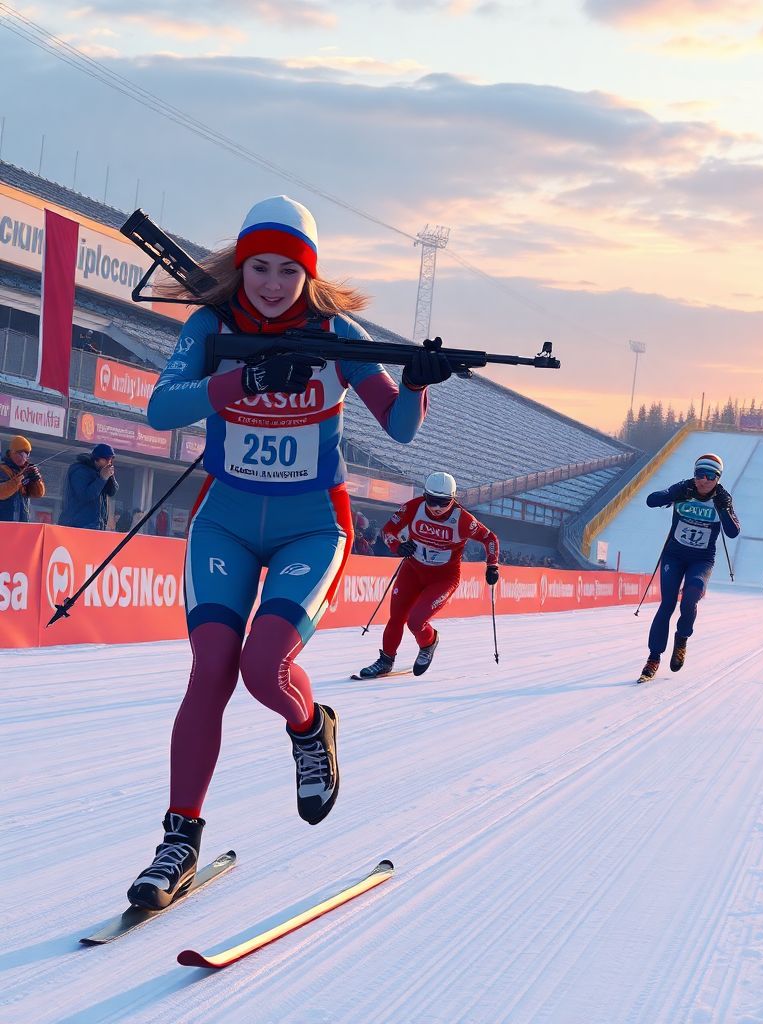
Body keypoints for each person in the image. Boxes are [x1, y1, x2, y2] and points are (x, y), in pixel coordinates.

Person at [127, 195, 451, 911]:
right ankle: (178, 841)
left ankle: (310, 726)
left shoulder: (336, 331)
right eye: (258, 268)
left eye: (288, 271)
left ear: (310, 276)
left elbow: (398, 427)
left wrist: (419, 386)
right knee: (211, 665)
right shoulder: (212, 324)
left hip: (312, 523)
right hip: (226, 519)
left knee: (262, 667)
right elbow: (161, 408)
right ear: (241, 268)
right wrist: (245, 378)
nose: (271, 284)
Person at [358, 471, 500, 678]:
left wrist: (492, 566)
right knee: (396, 617)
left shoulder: (462, 520)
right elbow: (388, 530)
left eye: (443, 502)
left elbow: (490, 538)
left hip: (443, 578)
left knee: (415, 622)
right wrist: (398, 546)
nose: (436, 508)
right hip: (413, 571)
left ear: (453, 499)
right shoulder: (414, 507)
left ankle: (429, 642)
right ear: (425, 495)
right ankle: (386, 660)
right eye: (432, 501)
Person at [637, 453, 740, 683]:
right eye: (698, 474)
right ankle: (653, 658)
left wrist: (723, 509)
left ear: (718, 478)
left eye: (709, 476)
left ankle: (681, 638)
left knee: (691, 597)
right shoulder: (684, 490)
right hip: (674, 556)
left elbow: (733, 532)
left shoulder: (723, 499)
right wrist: (673, 494)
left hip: (701, 560)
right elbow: (651, 500)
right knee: (667, 604)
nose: (703, 480)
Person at [58, 444, 118, 529]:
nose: (109, 463)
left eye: (111, 460)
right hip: (77, 525)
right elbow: (85, 496)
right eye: (106, 459)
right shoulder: (80, 471)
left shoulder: (101, 472)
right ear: (97, 459)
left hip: (96, 526)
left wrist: (110, 477)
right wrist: (102, 479)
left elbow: (112, 492)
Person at [0, 435, 45, 522]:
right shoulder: (3, 469)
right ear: (12, 453)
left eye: (27, 454)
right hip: (4, 522)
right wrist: (22, 477)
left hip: (21, 523)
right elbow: (2, 492)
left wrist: (36, 479)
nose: (24, 457)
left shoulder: (26, 470)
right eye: (21, 453)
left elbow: (38, 494)